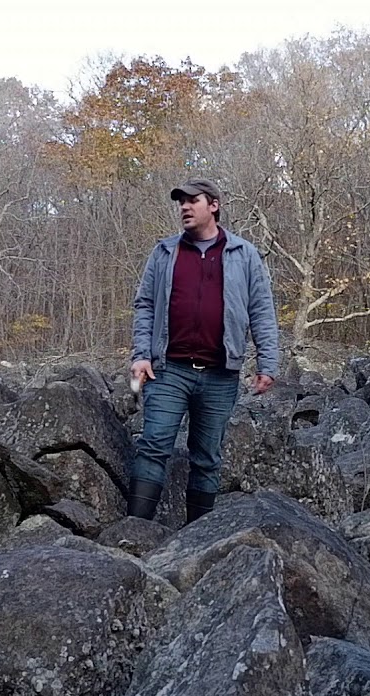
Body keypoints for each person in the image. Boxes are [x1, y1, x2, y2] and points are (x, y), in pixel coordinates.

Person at [126, 178, 279, 523]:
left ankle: (198, 539)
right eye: (180, 202)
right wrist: (141, 354)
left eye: (192, 200)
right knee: (153, 446)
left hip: (220, 374)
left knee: (207, 458)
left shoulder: (244, 255)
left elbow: (261, 310)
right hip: (168, 370)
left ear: (213, 205)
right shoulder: (164, 252)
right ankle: (133, 534)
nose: (184, 207)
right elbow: (145, 305)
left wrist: (267, 363)